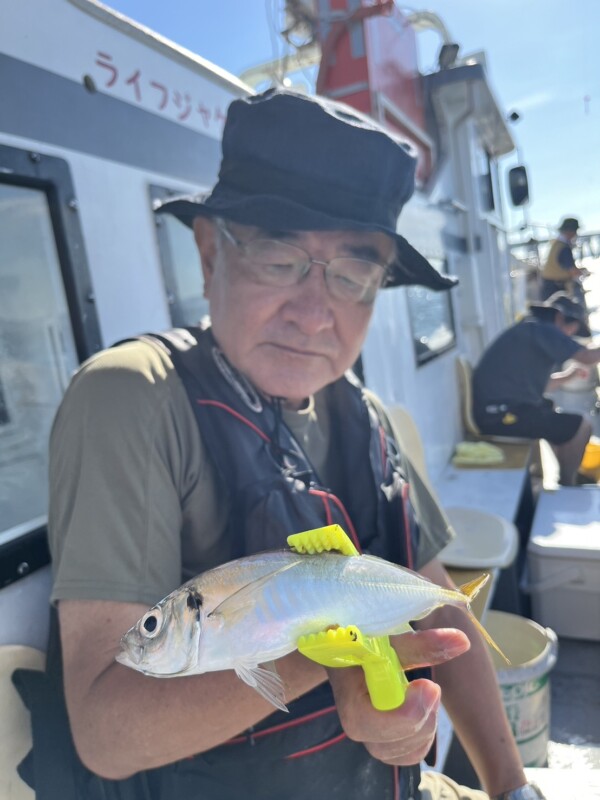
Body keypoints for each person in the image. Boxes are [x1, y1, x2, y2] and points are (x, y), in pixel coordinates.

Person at [18, 89, 544, 800]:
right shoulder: (132, 397)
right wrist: (330, 658)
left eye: (355, 274)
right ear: (209, 255)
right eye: (278, 256)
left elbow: (438, 595)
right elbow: (108, 734)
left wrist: (512, 788)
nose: (313, 314)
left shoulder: (365, 413)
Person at [473, 292, 600, 486]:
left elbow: (542, 386)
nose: (569, 337)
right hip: (500, 416)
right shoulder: (545, 330)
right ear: (559, 317)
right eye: (571, 330)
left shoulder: (530, 328)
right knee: (582, 427)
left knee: (547, 405)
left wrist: (569, 376)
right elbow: (588, 357)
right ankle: (567, 483)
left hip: (493, 411)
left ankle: (558, 471)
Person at [539, 217, 587, 301]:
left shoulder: (556, 243)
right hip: (556, 288)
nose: (575, 234)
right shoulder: (564, 248)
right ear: (570, 231)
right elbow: (573, 272)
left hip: (548, 286)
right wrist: (584, 272)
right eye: (575, 231)